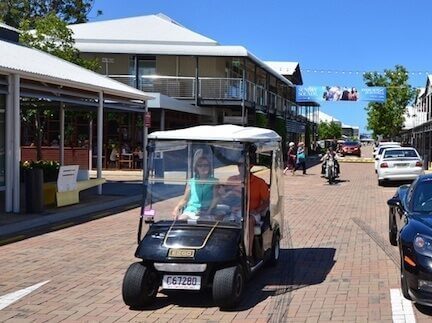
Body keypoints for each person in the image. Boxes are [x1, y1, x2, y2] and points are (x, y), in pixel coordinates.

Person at [222, 157, 270, 259]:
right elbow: (224, 197)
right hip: (233, 211)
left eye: (244, 165)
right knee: (218, 220)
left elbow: (266, 201)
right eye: (239, 165)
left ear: (250, 166)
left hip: (251, 212)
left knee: (248, 221)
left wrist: (257, 210)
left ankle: (248, 255)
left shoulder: (259, 182)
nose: (241, 167)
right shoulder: (232, 180)